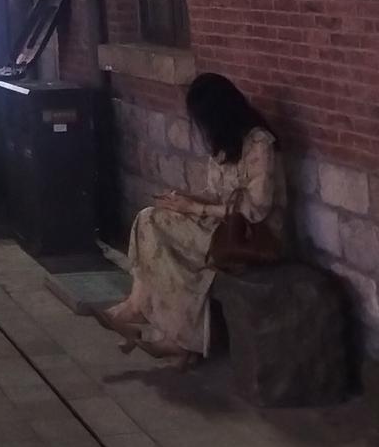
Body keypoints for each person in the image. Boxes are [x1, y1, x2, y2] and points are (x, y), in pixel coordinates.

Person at [93, 73, 285, 361]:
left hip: (252, 234)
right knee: (149, 219)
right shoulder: (225, 143)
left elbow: (256, 209)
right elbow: (217, 193)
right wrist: (184, 199)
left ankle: (176, 336)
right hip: (222, 223)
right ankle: (141, 308)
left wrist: (195, 209)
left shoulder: (260, 145)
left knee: (166, 240)